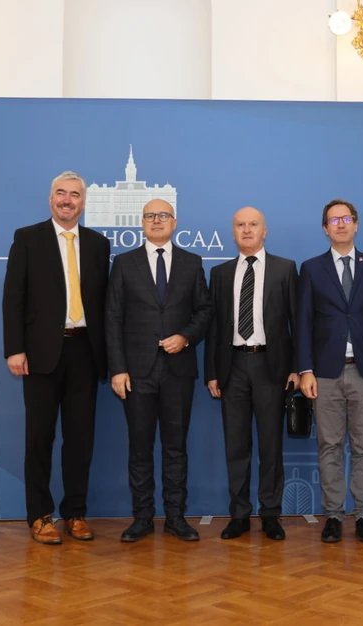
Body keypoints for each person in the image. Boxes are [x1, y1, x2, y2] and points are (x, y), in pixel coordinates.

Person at [2, 171, 110, 545]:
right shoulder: (27, 238)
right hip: (40, 354)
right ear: (51, 200)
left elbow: (104, 304)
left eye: (74, 194)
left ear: (84, 202)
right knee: (40, 438)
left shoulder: (98, 244)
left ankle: (75, 514)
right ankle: (40, 515)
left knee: (80, 439)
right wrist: (15, 348)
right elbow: (13, 298)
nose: (67, 200)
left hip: (85, 352)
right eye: (61, 193)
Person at [296, 199, 363, 544]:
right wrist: (305, 369)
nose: (341, 224)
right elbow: (302, 323)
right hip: (324, 373)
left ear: (356, 224)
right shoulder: (311, 269)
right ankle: (332, 516)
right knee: (329, 445)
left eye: (346, 219)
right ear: (325, 228)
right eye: (334, 220)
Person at [105, 199, 212, 542]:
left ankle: (176, 517)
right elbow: (112, 318)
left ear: (174, 222)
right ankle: (142, 518)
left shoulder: (192, 262)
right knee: (139, 448)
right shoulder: (124, 263)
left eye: (163, 215)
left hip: (178, 370)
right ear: (142, 222)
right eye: (150, 216)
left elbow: (205, 310)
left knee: (175, 447)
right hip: (136, 373)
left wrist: (186, 337)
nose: (156, 220)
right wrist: (118, 368)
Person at [205, 207, 298, 541]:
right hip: (232, 367)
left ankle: (270, 514)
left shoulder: (285, 269)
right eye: (240, 225)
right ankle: (239, 514)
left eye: (253, 224)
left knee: (271, 445)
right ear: (233, 233)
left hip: (271, 367)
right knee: (236, 445)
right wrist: (212, 372)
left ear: (264, 231)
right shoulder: (219, 273)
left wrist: (296, 367)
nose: (247, 230)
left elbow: (297, 322)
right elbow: (214, 327)